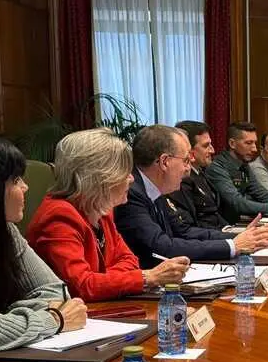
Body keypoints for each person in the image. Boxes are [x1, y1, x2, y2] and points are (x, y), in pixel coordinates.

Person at [27, 128, 190, 302]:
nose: (131, 179)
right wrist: (147, 277)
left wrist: (103, 280)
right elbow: (82, 286)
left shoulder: (101, 209)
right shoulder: (59, 216)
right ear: (99, 177)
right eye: (123, 172)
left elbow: (129, 260)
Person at [115, 125, 268, 269]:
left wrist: (240, 237)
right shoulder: (131, 195)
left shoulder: (153, 189)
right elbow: (163, 247)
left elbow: (183, 233)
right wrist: (232, 245)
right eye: (185, 160)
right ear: (164, 162)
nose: (187, 169)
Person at [0, 135, 86, 351]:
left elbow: (55, 291)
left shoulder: (6, 231)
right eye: (15, 181)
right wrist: (53, 319)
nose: (25, 187)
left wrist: (10, 317)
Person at [206, 122, 268, 224]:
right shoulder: (217, 167)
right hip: (224, 227)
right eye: (248, 143)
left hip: (240, 222)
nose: (254, 149)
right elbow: (237, 203)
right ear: (232, 144)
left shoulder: (244, 165)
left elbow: (262, 194)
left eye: (254, 143)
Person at [167, 120, 230, 230]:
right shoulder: (182, 179)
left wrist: (231, 229)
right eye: (206, 146)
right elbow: (194, 223)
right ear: (188, 150)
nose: (212, 150)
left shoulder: (200, 172)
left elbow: (213, 213)